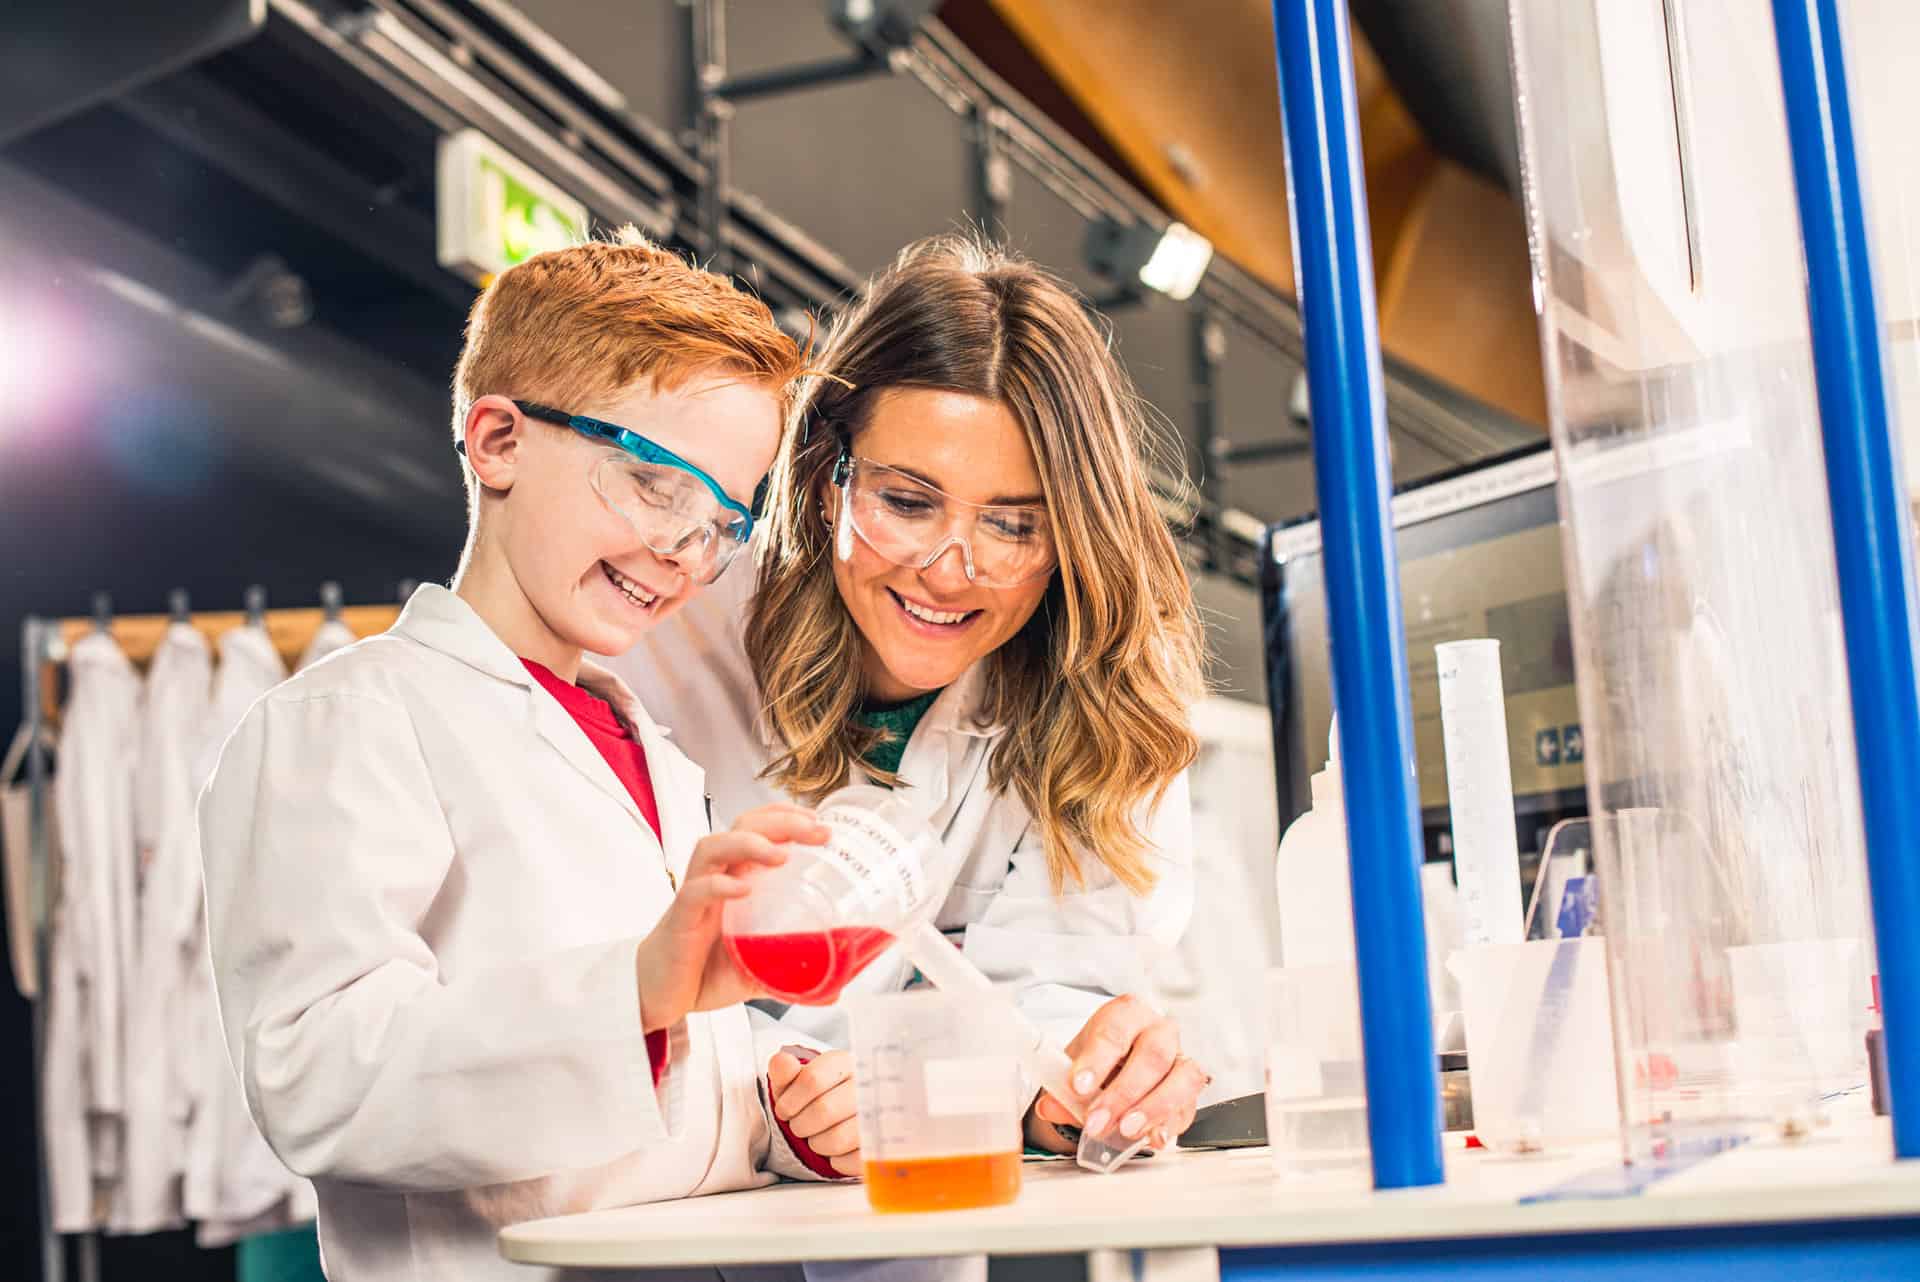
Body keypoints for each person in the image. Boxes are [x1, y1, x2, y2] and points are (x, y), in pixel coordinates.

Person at [197, 231, 863, 1282]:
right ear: (499, 439)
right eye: (655, 486)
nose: (685, 556)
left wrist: (780, 1104)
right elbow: (315, 1077)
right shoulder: (347, 723)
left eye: (722, 523)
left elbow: (666, 1102)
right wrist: (636, 991)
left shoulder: (654, 754)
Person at [613, 236, 1214, 1154]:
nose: (948, 571)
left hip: (914, 1219)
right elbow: (584, 968)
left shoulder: (1105, 696)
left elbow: (1052, 996)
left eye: (1014, 524)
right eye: (907, 501)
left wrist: (1076, 1079)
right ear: (824, 481)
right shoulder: (668, 638)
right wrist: (770, 1089)